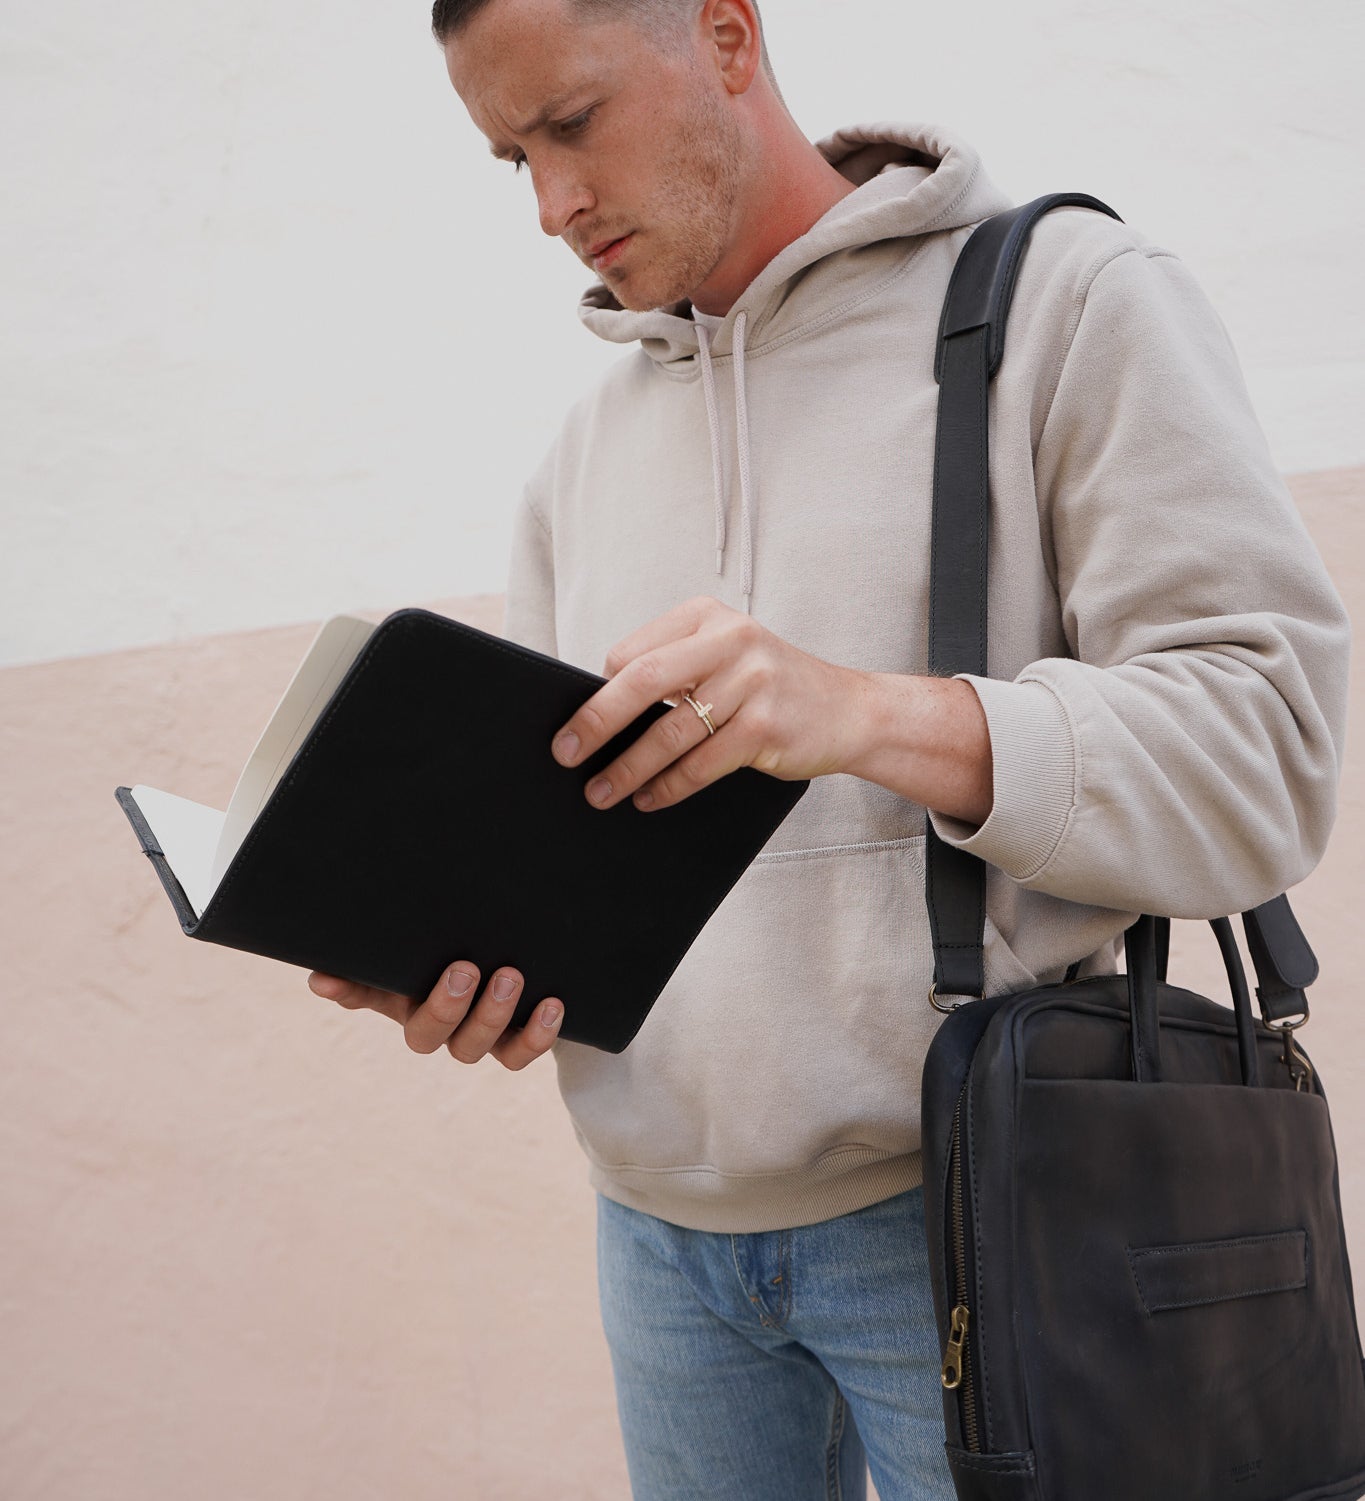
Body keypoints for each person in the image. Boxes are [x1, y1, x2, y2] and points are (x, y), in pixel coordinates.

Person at [306, 1, 1352, 1496]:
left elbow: (1264, 746)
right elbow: (579, 866)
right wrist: (465, 962)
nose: (550, 206)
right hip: (658, 1250)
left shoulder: (1070, 301)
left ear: (725, 37)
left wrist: (866, 713)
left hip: (974, 1224)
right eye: (507, 158)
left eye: (572, 125)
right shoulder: (581, 454)